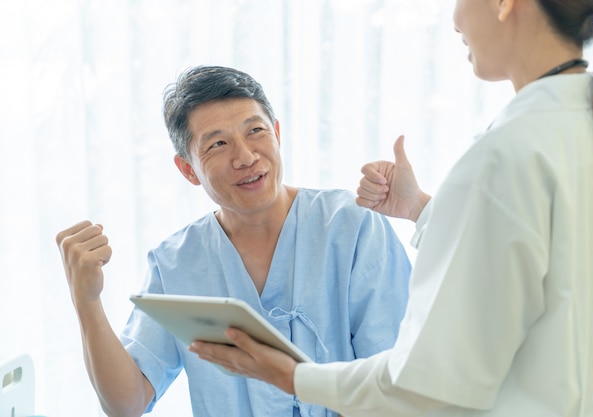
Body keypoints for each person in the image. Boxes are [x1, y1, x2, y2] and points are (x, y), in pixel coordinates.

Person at [189, 0, 593, 415]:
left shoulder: (508, 153)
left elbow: (431, 381)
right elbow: (557, 266)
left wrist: (295, 377)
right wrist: (423, 209)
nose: (455, 20)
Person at [55, 66, 412, 417]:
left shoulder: (352, 227)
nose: (245, 156)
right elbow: (126, 403)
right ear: (188, 169)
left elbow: (396, 383)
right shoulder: (177, 262)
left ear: (276, 133)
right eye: (218, 144)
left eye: (255, 131)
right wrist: (87, 302)